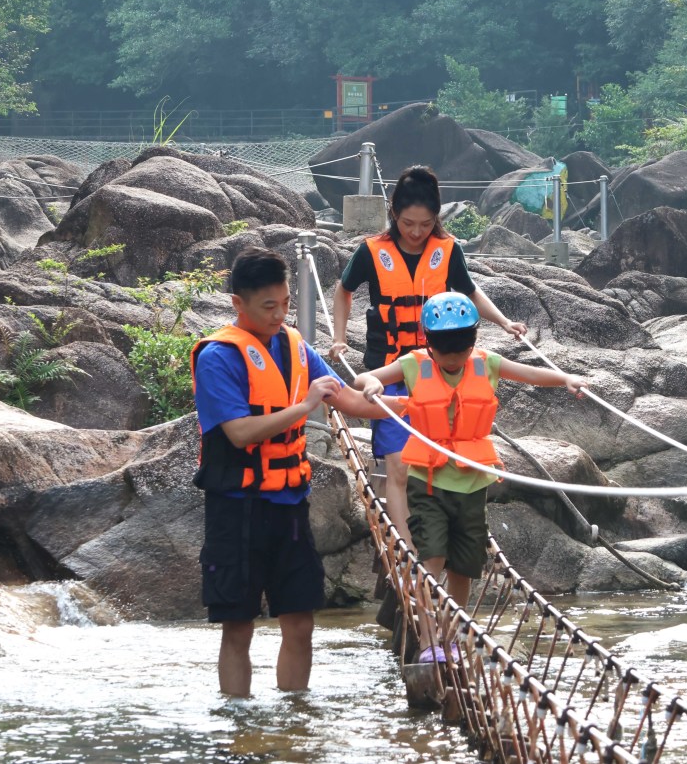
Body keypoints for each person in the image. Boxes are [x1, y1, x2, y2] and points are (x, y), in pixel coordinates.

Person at [191, 246, 401, 697]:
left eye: (286, 303)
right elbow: (241, 433)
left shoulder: (295, 347)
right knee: (238, 627)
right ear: (238, 304)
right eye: (269, 306)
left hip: (288, 506)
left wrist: (407, 405)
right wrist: (304, 406)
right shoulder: (218, 357)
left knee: (301, 622)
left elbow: (349, 398)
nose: (280, 314)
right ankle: (240, 726)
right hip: (237, 508)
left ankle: (295, 719)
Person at [353, 292, 586, 662]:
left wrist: (567, 379)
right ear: (429, 343)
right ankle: (429, 643)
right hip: (428, 484)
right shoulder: (413, 365)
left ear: (473, 342)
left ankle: (451, 634)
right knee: (430, 560)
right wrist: (372, 384)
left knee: (463, 567)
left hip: (473, 486)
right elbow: (364, 377)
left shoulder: (486, 363)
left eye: (460, 353)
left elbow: (531, 374)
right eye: (445, 354)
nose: (453, 361)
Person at [329, 165, 525, 549]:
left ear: (436, 218)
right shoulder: (372, 251)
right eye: (407, 223)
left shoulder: (448, 250)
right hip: (390, 369)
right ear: (393, 213)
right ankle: (406, 550)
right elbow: (342, 291)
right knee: (400, 464)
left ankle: (438, 534)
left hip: (439, 370)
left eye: (424, 223)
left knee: (434, 461)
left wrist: (504, 322)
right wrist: (338, 337)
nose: (416, 232)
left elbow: (470, 292)